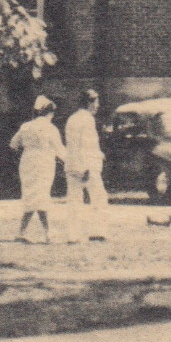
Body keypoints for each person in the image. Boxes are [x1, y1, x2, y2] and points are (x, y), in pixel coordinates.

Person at [9, 97, 64, 244]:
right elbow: (60, 151)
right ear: (49, 112)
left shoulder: (26, 126)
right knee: (40, 196)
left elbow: (13, 144)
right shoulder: (51, 128)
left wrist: (27, 150)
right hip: (44, 163)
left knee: (32, 196)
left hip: (27, 162)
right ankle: (48, 232)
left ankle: (22, 232)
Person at [61, 89, 108, 243]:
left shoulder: (72, 118)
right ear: (89, 102)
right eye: (96, 102)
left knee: (74, 200)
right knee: (99, 198)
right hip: (87, 166)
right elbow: (85, 145)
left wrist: (98, 153)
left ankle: (73, 235)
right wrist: (85, 167)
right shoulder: (87, 119)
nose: (98, 106)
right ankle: (98, 231)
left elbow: (73, 144)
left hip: (72, 165)